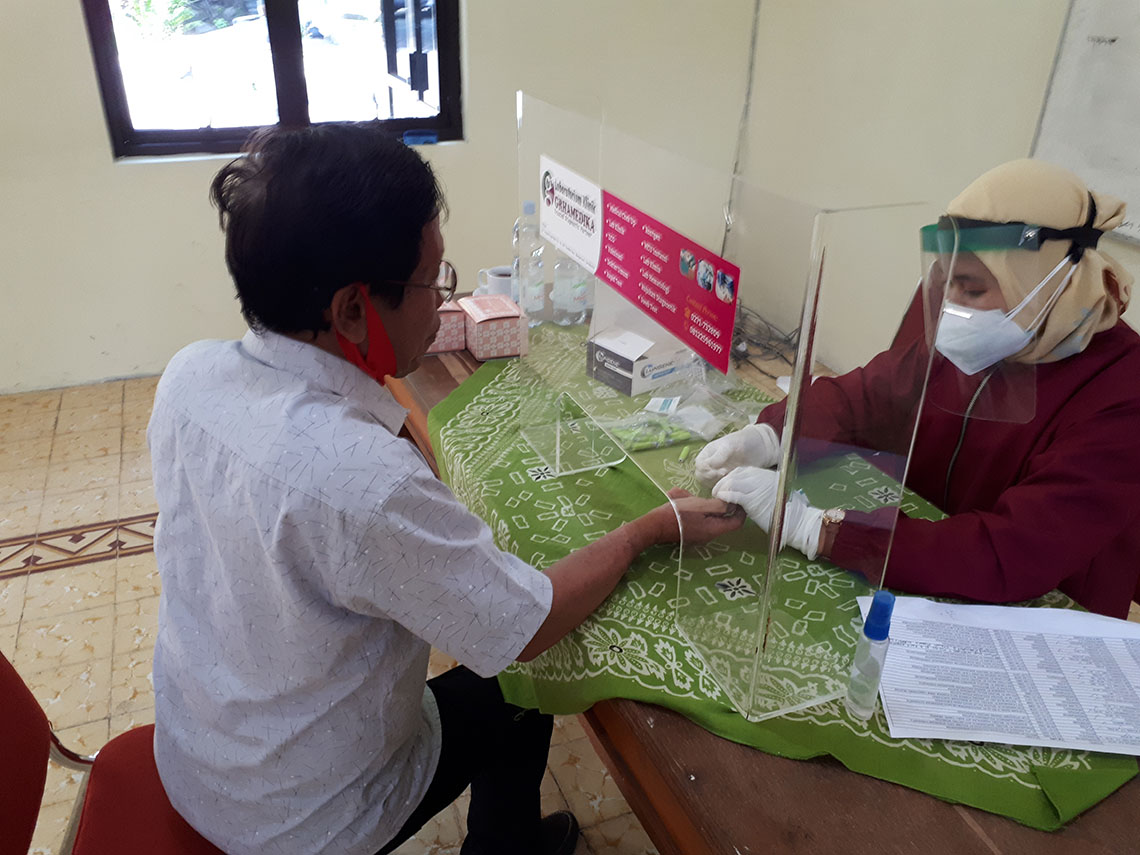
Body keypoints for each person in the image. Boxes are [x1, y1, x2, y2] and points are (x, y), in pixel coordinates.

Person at [148, 122, 744, 855]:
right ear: (352, 310)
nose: (440, 303)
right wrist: (646, 529)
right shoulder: (361, 481)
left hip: (198, 758)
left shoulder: (189, 374)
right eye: (431, 281)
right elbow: (526, 625)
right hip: (303, 818)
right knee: (525, 685)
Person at [697, 159, 1140, 619]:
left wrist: (819, 529)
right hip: (920, 555)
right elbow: (866, 397)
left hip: (1038, 609)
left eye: (972, 290)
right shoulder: (982, 340)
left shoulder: (1123, 392)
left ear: (1048, 283)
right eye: (946, 284)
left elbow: (1016, 550)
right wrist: (773, 433)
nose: (952, 308)